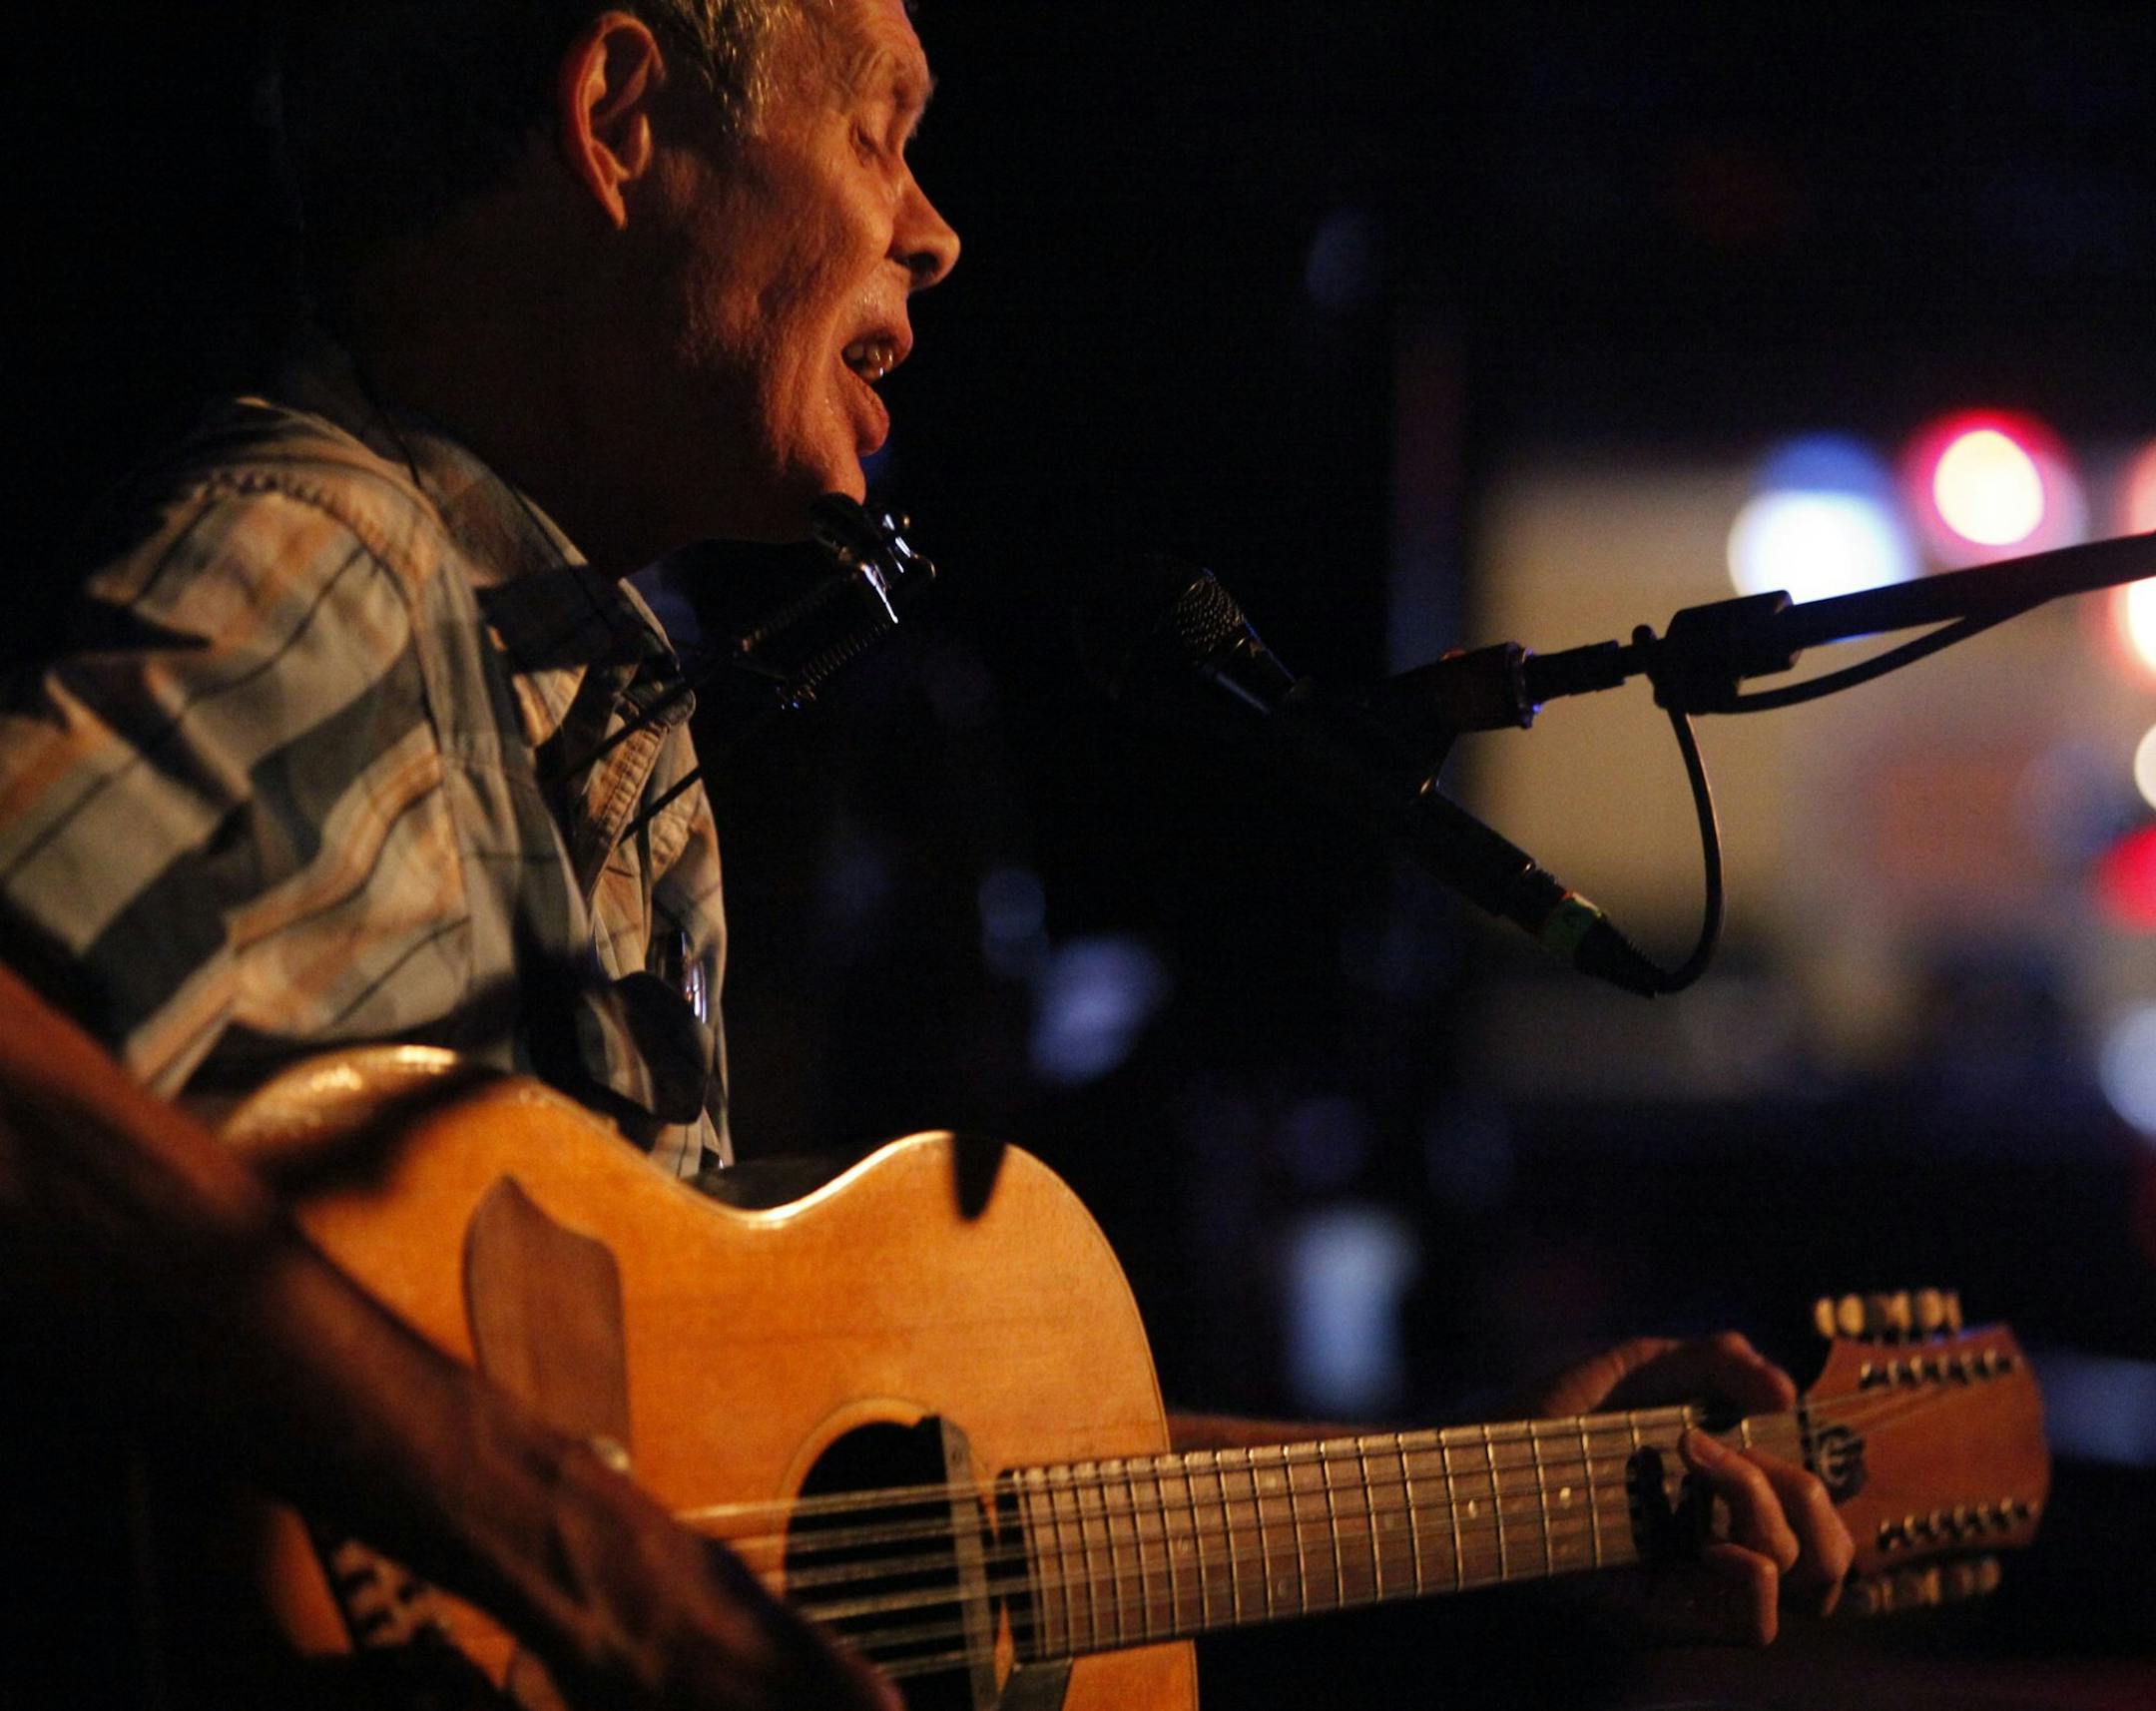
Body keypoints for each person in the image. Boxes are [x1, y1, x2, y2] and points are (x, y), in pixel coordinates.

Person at [0, 2, 1851, 1707]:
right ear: (620, 120)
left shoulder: (593, 705)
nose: (938, 233)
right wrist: (578, 1557)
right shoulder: (323, 562)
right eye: (882, 133)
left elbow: (783, 1508)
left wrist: (1509, 1486)